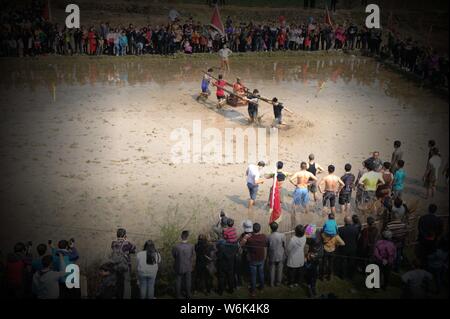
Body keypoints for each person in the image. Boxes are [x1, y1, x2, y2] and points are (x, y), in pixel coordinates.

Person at [111, 229, 136, 299]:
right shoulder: (128, 243)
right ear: (125, 235)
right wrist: (126, 240)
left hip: (116, 265)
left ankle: (117, 296)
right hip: (126, 265)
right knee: (127, 283)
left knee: (117, 282)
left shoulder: (113, 243)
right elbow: (133, 249)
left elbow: (114, 250)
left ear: (117, 235)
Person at [245, 223, 267, 297]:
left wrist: (246, 237)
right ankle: (262, 288)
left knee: (253, 276)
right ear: (259, 229)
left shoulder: (250, 238)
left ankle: (253, 291)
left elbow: (243, 244)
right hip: (261, 259)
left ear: (252, 229)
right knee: (261, 274)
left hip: (253, 260)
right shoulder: (263, 236)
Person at [172, 230, 195, 299]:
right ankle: (188, 294)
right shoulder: (191, 246)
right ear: (187, 236)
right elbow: (192, 255)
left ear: (181, 236)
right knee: (188, 281)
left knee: (178, 281)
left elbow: (174, 255)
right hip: (188, 265)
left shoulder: (176, 246)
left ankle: (178, 295)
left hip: (179, 265)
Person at [267, 222, 286, 287]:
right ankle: (278, 283)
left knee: (272, 269)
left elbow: (268, 246)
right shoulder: (282, 235)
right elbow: (284, 245)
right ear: (277, 227)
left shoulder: (269, 236)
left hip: (272, 255)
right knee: (280, 269)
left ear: (271, 228)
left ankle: (272, 283)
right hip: (280, 254)